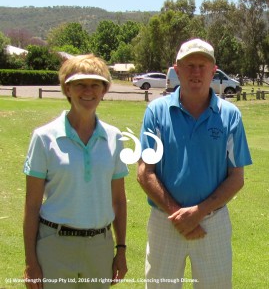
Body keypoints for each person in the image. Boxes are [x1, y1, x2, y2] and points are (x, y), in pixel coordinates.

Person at [137, 38, 252, 289]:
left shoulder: (230, 115)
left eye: (203, 65)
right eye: (189, 65)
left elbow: (236, 177)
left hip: (212, 221)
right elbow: (145, 173)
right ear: (176, 70)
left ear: (214, 70)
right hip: (165, 220)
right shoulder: (157, 112)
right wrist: (178, 214)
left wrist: (197, 213)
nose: (196, 71)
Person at [23, 54, 129, 289]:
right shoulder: (44, 137)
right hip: (55, 245)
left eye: (95, 84)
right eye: (80, 84)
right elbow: (31, 206)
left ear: (104, 90)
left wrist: (120, 249)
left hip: (100, 246)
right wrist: (31, 261)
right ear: (67, 89)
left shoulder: (114, 137)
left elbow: (119, 200)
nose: (88, 91)